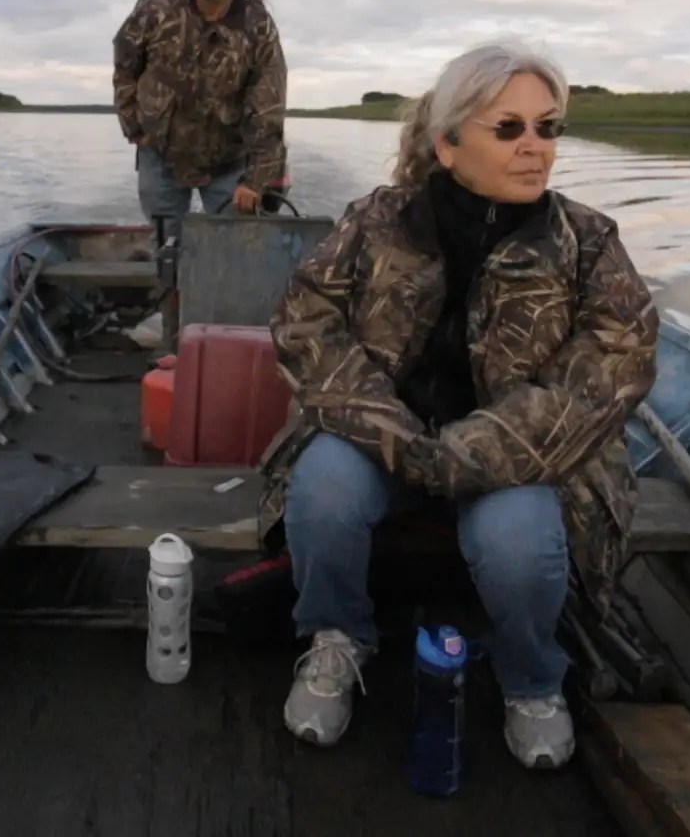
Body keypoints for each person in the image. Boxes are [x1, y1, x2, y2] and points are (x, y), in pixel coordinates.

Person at [256, 40, 659, 769]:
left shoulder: (589, 242)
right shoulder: (377, 221)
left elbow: (611, 369)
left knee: (518, 541)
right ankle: (337, 638)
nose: (536, 148)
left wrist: (468, 453)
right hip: (386, 438)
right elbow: (304, 320)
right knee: (322, 491)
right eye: (509, 128)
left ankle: (531, 679)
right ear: (447, 144)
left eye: (549, 127)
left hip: (512, 458)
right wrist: (393, 434)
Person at [112, 0, 287, 221]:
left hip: (230, 160)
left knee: (234, 247)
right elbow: (125, 65)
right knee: (167, 245)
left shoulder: (257, 24)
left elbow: (269, 105)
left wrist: (256, 178)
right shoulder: (156, 8)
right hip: (160, 154)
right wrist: (135, 127)